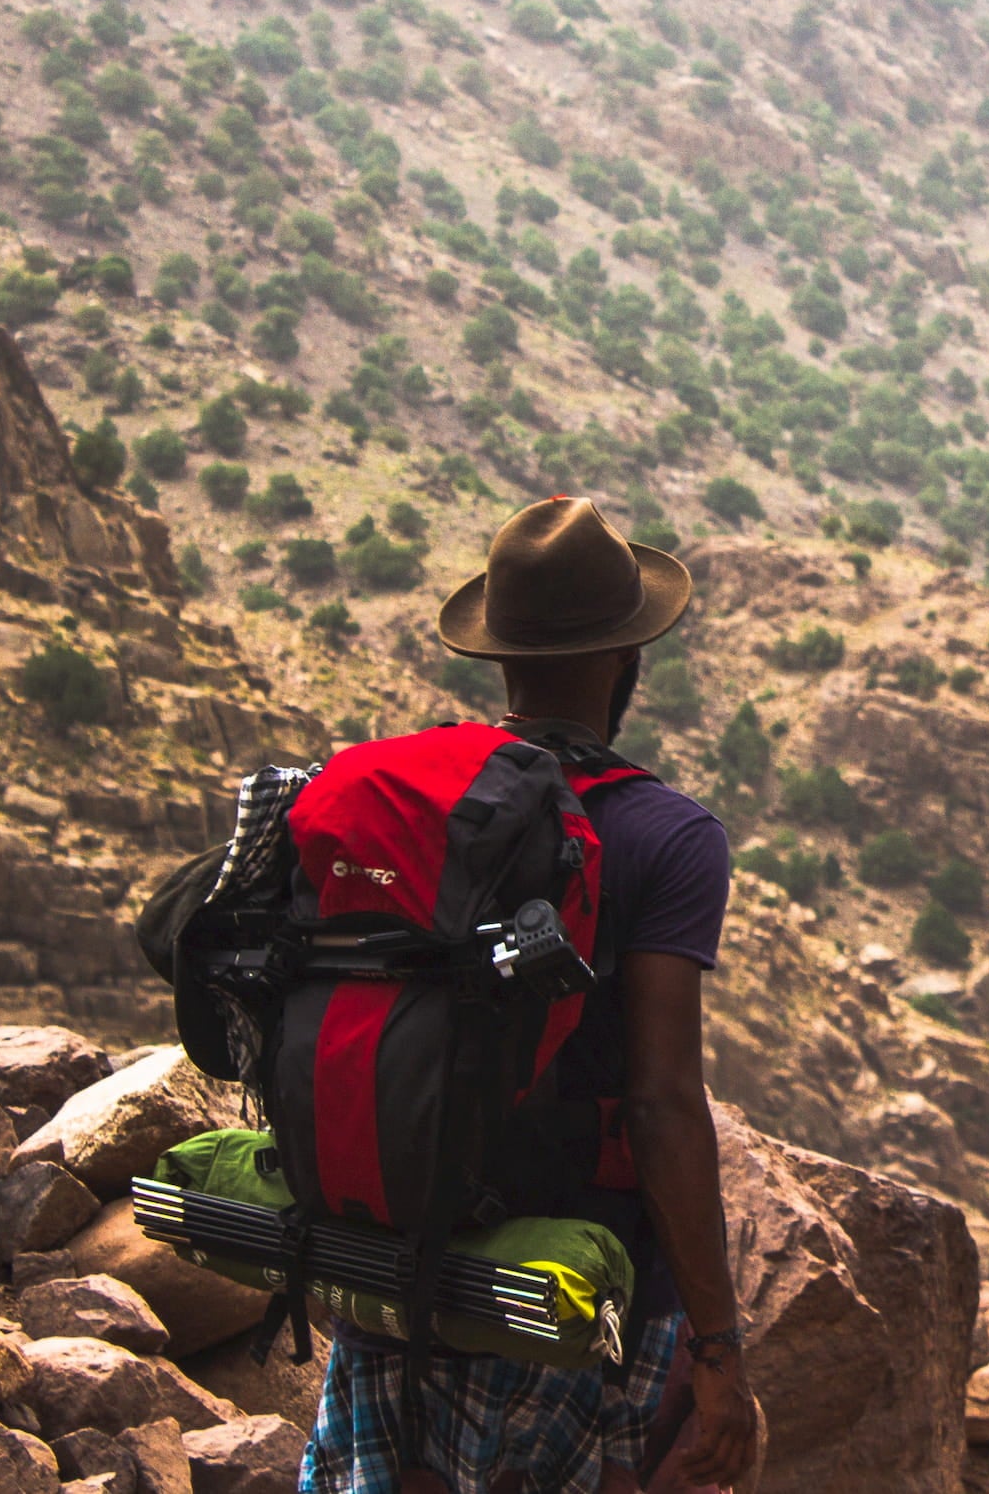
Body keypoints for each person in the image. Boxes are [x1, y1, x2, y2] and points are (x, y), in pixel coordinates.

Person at [299, 496, 763, 1494]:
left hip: (392, 1244)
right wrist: (720, 1355)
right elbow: (660, 1101)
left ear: (499, 658)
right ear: (624, 659)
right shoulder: (669, 837)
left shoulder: (413, 806)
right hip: (563, 1281)